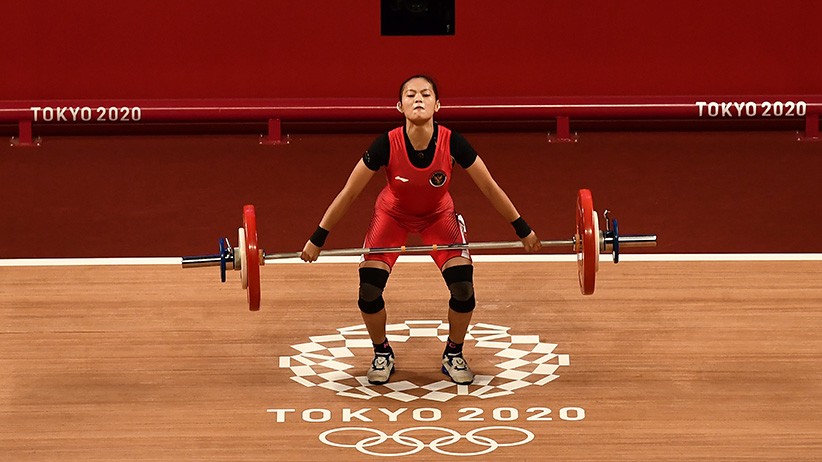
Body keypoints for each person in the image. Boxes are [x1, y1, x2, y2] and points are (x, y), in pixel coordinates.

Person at [300, 75, 541, 385]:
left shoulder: (453, 142)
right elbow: (349, 193)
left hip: (438, 216)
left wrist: (522, 229)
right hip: (392, 216)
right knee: (369, 288)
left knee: (463, 287)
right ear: (399, 106)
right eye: (410, 95)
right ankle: (382, 352)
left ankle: (453, 353)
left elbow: (489, 187)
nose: (418, 99)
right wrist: (317, 238)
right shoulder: (386, 144)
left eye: (426, 94)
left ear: (437, 105)